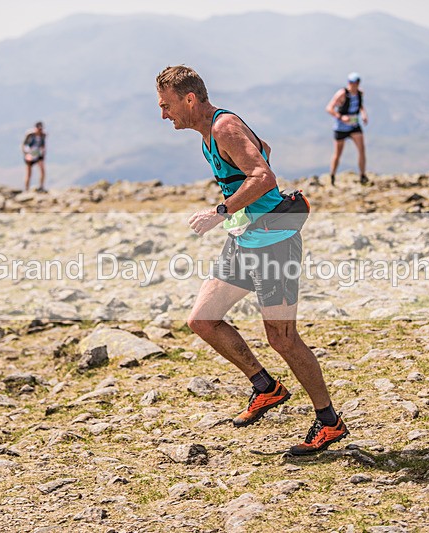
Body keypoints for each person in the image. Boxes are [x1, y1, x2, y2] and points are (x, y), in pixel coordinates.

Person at [156, 65, 348, 455]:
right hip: (246, 239)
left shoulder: (224, 127)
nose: (163, 114)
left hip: (275, 242)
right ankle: (266, 387)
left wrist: (221, 211)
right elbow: (265, 149)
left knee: (282, 338)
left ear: (189, 99)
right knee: (202, 320)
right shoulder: (211, 133)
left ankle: (329, 422)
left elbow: (263, 175)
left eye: (166, 105)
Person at [326, 72, 369, 186]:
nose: (353, 85)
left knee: (362, 149)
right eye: (351, 82)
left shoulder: (360, 93)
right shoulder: (342, 94)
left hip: (354, 125)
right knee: (338, 153)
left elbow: (360, 105)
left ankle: (362, 175)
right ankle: (332, 175)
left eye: (356, 82)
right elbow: (329, 108)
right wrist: (341, 117)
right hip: (341, 127)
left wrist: (364, 115)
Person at [22, 121, 47, 192]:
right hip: (30, 154)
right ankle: (26, 189)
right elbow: (24, 145)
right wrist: (26, 154)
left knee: (42, 171)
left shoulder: (43, 135)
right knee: (29, 173)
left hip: (38, 154)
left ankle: (41, 187)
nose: (39, 130)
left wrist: (43, 155)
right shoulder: (30, 135)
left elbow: (43, 146)